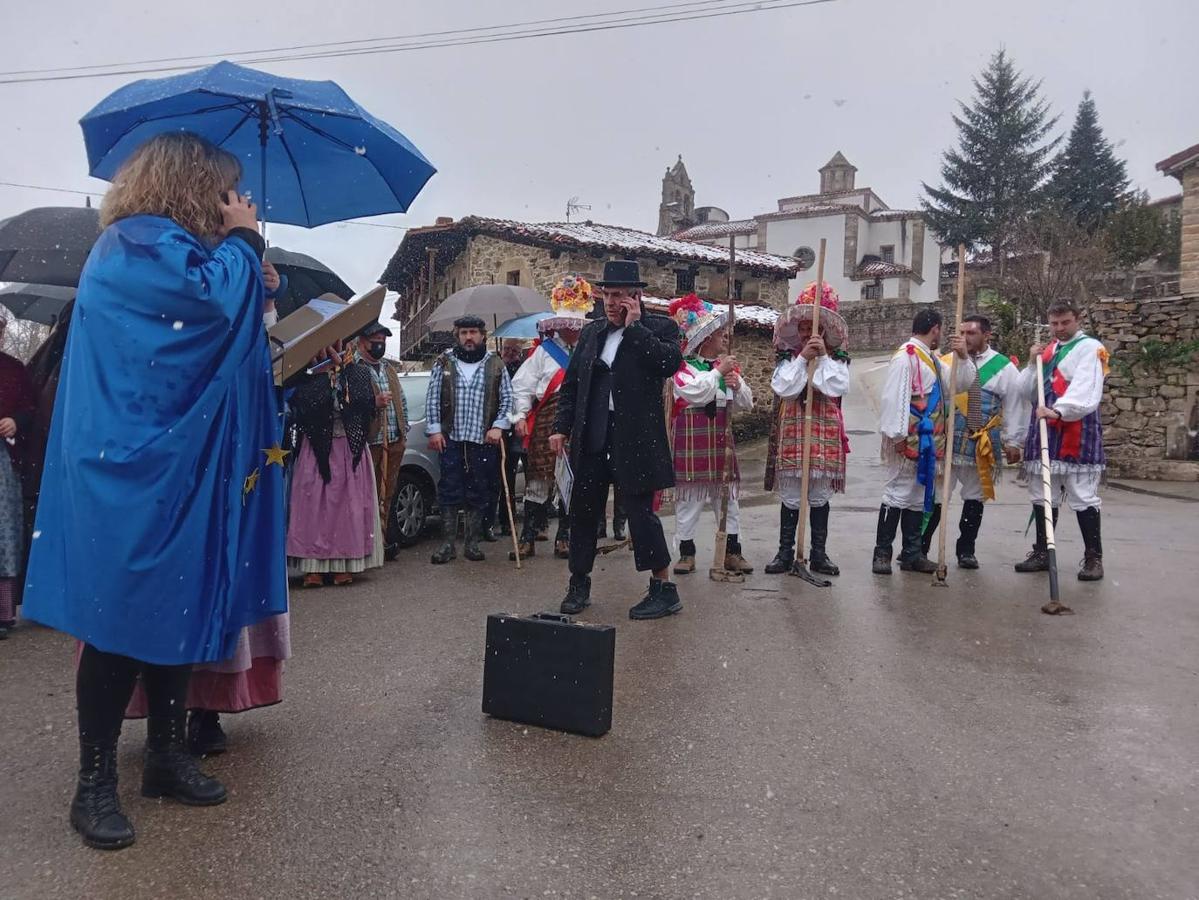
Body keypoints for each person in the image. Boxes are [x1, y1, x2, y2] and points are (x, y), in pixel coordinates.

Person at [22, 132, 288, 850]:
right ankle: (94, 785)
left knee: (182, 604)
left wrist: (252, 273)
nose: (231, 202)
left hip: (179, 465)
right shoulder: (135, 244)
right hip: (130, 469)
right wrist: (243, 245)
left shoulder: (169, 245)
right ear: (190, 184)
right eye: (223, 189)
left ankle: (167, 756)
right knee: (118, 623)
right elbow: (202, 309)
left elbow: (226, 320)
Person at [551, 260, 684, 620]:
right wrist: (561, 427)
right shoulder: (592, 334)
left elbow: (668, 363)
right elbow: (572, 385)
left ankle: (663, 588)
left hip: (635, 437)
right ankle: (578, 583)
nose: (610, 302)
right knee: (583, 512)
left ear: (636, 296)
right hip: (593, 436)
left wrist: (635, 327)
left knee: (642, 515)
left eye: (618, 296)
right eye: (607, 295)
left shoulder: (659, 328)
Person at [919, 315, 1028, 568]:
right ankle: (919, 548)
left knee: (975, 496)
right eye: (962, 333)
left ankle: (966, 550)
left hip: (982, 440)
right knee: (935, 495)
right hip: (946, 439)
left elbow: (1014, 406)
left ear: (987, 335)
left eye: (971, 334)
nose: (965, 338)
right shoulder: (946, 361)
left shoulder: (1003, 367)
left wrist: (1014, 441)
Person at [1013, 300, 1109, 581]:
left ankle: (1094, 558)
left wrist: (1059, 411)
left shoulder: (1090, 348)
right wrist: (1032, 364)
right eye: (1054, 324)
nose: (1059, 328)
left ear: (1077, 319)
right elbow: (1026, 391)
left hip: (1075, 429)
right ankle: (1043, 552)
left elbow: (1086, 388)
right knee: (1044, 493)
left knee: (1082, 495)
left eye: (1065, 322)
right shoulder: (1049, 350)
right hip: (1044, 427)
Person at [873, 308, 972, 575]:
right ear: (936, 329)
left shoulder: (932, 359)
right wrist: (896, 436)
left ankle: (912, 554)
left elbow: (962, 383)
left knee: (919, 496)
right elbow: (894, 397)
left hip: (930, 439)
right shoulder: (906, 356)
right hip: (910, 438)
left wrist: (963, 356)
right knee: (897, 494)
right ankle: (882, 554)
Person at [763, 282, 851, 576]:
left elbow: (836, 386)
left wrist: (823, 356)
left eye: (812, 328)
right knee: (790, 494)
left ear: (824, 330)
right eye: (802, 328)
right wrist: (803, 359)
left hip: (823, 429)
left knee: (819, 495)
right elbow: (785, 388)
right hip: (794, 428)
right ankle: (785, 553)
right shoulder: (787, 359)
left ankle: (818, 554)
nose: (806, 334)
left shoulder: (837, 360)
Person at [667, 294, 754, 576]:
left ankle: (731, 551)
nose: (724, 339)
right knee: (690, 499)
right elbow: (694, 392)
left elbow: (747, 403)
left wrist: (737, 383)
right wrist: (719, 373)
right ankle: (687, 553)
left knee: (727, 499)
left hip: (720, 441)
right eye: (719, 335)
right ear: (704, 340)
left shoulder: (725, 368)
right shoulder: (682, 368)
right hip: (693, 440)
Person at [286, 343, 385, 587]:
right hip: (316, 450)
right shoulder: (306, 376)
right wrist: (320, 377)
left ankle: (344, 563)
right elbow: (304, 409)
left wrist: (344, 374)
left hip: (348, 450)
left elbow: (363, 407)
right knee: (312, 509)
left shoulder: (358, 372)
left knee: (346, 510)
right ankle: (313, 568)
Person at [508, 276, 590, 560]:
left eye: (576, 325)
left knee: (571, 477)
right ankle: (529, 535)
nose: (572, 329)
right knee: (538, 478)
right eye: (568, 324)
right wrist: (519, 415)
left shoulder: (589, 351)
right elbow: (522, 386)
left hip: (580, 419)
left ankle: (564, 537)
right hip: (547, 420)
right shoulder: (543, 353)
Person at [425, 315, 514, 564]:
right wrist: (434, 430)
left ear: (483, 335)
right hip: (451, 438)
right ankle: (447, 545)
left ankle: (472, 543)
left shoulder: (495, 364)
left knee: (479, 491)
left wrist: (498, 426)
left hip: (482, 440)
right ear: (457, 335)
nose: (469, 337)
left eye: (473, 332)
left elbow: (507, 400)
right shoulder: (444, 363)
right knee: (449, 490)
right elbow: (432, 398)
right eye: (464, 333)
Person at [356, 321, 409, 558]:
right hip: (370, 442)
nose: (379, 344)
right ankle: (367, 543)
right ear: (361, 342)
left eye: (383, 340)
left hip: (393, 440)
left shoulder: (388, 368)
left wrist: (403, 430)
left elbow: (402, 401)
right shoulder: (355, 368)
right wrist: (373, 404)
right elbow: (351, 406)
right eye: (374, 340)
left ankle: (383, 540)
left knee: (387, 493)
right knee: (368, 495)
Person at [0, 309, 35, 639]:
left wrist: (16, 422)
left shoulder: (13, 369)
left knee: (5, 533)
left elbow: (30, 407)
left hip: (4, 463)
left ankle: (3, 613)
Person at [494, 338, 528, 539]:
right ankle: (507, 520)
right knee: (506, 476)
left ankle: (531, 521)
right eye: (506, 349)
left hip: (522, 426)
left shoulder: (523, 369)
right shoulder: (497, 369)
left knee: (531, 474)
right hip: (505, 427)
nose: (509, 353)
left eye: (513, 350)